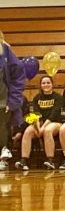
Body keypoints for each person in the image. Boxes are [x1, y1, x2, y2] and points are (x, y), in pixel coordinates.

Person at [16, 75, 64, 171]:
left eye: (48, 83)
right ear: (41, 85)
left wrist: (42, 129)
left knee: (47, 130)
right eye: (43, 83)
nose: (46, 85)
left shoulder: (58, 97)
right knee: (28, 131)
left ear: (52, 84)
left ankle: (51, 160)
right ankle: (24, 161)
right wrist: (38, 128)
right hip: (40, 123)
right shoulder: (37, 98)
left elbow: (53, 115)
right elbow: (36, 115)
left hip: (55, 123)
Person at [0, 32, 26, 172]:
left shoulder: (5, 51)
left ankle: (3, 157)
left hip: (3, 100)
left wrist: (13, 101)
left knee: (1, 128)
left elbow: (18, 76)